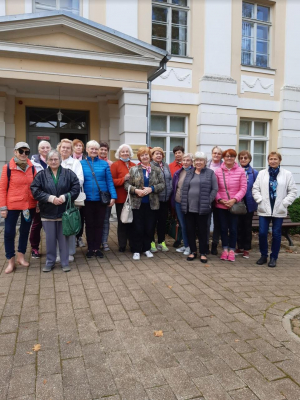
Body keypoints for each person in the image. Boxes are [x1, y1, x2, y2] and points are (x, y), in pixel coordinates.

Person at [31, 150, 80, 272]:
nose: (53, 161)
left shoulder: (69, 174)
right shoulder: (41, 175)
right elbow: (35, 190)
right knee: (50, 239)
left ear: (60, 160)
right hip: (48, 212)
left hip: (64, 212)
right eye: (51, 159)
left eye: (56, 159)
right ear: (47, 161)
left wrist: (65, 197)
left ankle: (64, 262)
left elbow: (76, 188)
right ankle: (50, 262)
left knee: (64, 239)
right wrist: (50, 198)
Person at [252, 151, 297, 268]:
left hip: (279, 209)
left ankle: (273, 257)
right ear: (268, 160)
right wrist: (260, 200)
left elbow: (293, 191)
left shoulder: (287, 174)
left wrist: (285, 203)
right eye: (271, 159)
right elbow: (255, 189)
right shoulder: (262, 174)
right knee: (262, 233)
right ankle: (263, 255)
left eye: (275, 159)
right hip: (264, 208)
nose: (273, 161)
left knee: (276, 234)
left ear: (279, 160)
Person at [0, 142, 37, 273]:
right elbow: (2, 189)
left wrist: (37, 203)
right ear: (15, 152)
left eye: (26, 152)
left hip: (29, 205)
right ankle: (11, 260)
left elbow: (35, 187)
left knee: (25, 231)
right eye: (21, 151)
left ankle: (21, 256)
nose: (23, 154)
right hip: (12, 206)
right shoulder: (8, 168)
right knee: (9, 232)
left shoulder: (32, 168)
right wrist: (3, 207)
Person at [124, 146, 165, 261]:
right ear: (139, 158)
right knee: (137, 227)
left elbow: (162, 184)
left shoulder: (156, 170)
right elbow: (126, 185)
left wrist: (151, 188)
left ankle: (146, 248)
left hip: (152, 204)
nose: (145, 157)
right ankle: (136, 250)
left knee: (149, 227)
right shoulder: (133, 169)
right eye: (142, 155)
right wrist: (136, 190)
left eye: (146, 154)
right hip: (137, 204)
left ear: (150, 156)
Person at [81, 140, 117, 258]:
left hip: (101, 200)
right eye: (91, 148)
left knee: (99, 224)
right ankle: (90, 248)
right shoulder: (81, 163)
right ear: (86, 149)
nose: (94, 151)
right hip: (87, 200)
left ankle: (97, 248)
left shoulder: (104, 164)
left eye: (96, 149)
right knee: (89, 224)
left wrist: (113, 196)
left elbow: (109, 181)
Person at [181, 152, 218, 262]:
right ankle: (193, 251)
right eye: (196, 160)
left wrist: (208, 201)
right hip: (189, 208)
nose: (198, 162)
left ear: (205, 162)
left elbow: (214, 189)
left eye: (201, 160)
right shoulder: (189, 173)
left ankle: (203, 252)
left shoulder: (210, 173)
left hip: (203, 208)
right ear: (194, 162)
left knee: (203, 231)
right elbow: (184, 189)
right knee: (190, 230)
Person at [215, 149, 247, 262]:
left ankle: (232, 250)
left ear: (235, 158)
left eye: (232, 156)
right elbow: (215, 188)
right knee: (223, 229)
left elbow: (243, 188)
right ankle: (224, 249)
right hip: (221, 205)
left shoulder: (241, 171)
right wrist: (220, 200)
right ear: (223, 158)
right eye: (227, 156)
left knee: (233, 229)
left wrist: (234, 200)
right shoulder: (218, 171)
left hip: (235, 205)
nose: (229, 158)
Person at [57, 139, 84, 261]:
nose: (65, 149)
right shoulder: (54, 160)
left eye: (68, 148)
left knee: (70, 223)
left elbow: (79, 180)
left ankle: (70, 252)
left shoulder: (75, 163)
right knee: (57, 226)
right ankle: (58, 252)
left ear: (71, 150)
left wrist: (66, 191)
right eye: (63, 147)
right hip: (55, 200)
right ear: (59, 148)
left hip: (69, 199)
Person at [110, 144, 135, 252]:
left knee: (132, 222)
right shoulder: (115, 165)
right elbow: (112, 181)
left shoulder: (134, 165)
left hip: (133, 198)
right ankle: (122, 245)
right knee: (122, 222)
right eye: (122, 152)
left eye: (127, 151)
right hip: (121, 199)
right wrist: (123, 179)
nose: (125, 153)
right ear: (119, 154)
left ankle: (132, 243)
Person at [30, 140, 51, 259]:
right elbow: (32, 184)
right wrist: (37, 201)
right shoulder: (32, 164)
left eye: (47, 147)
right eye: (42, 148)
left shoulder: (54, 160)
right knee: (37, 224)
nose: (45, 149)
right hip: (39, 199)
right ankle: (34, 248)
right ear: (39, 150)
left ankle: (51, 248)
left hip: (52, 199)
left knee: (51, 225)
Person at [235, 150, 258, 259]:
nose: (243, 160)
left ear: (249, 159)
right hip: (238, 202)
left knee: (247, 227)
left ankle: (246, 248)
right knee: (238, 226)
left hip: (249, 202)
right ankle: (239, 246)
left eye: (245, 158)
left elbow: (257, 188)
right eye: (241, 158)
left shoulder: (254, 172)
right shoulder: (236, 170)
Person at [150, 147, 172, 252]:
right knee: (152, 221)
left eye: (160, 154)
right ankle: (151, 242)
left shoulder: (166, 165)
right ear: (152, 156)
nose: (158, 155)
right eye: (156, 154)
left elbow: (170, 179)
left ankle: (161, 241)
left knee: (162, 221)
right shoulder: (150, 166)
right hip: (154, 199)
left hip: (165, 199)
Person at [171, 153, 194, 256]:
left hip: (190, 203)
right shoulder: (178, 172)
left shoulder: (195, 172)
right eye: (184, 160)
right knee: (182, 225)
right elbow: (175, 187)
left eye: (188, 160)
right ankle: (186, 245)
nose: (185, 162)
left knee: (189, 225)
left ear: (192, 162)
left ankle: (190, 246)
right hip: (178, 202)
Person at [206, 145, 223, 255]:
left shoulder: (224, 165)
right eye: (214, 153)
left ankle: (215, 245)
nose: (216, 155)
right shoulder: (206, 164)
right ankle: (206, 244)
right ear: (211, 154)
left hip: (220, 198)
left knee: (218, 223)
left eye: (218, 153)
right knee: (206, 223)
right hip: (207, 198)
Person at [98, 141, 113, 251]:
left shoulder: (111, 164)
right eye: (101, 149)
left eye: (105, 150)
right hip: (95, 196)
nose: (103, 151)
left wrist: (113, 197)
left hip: (107, 196)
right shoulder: (93, 162)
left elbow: (111, 181)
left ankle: (104, 241)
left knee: (105, 220)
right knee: (96, 220)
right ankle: (96, 241)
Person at [72, 139, 86, 248]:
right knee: (72, 216)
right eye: (76, 146)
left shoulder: (85, 160)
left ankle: (79, 237)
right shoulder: (69, 160)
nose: (78, 147)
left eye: (80, 146)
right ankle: (72, 237)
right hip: (70, 192)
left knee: (81, 216)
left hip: (82, 192)